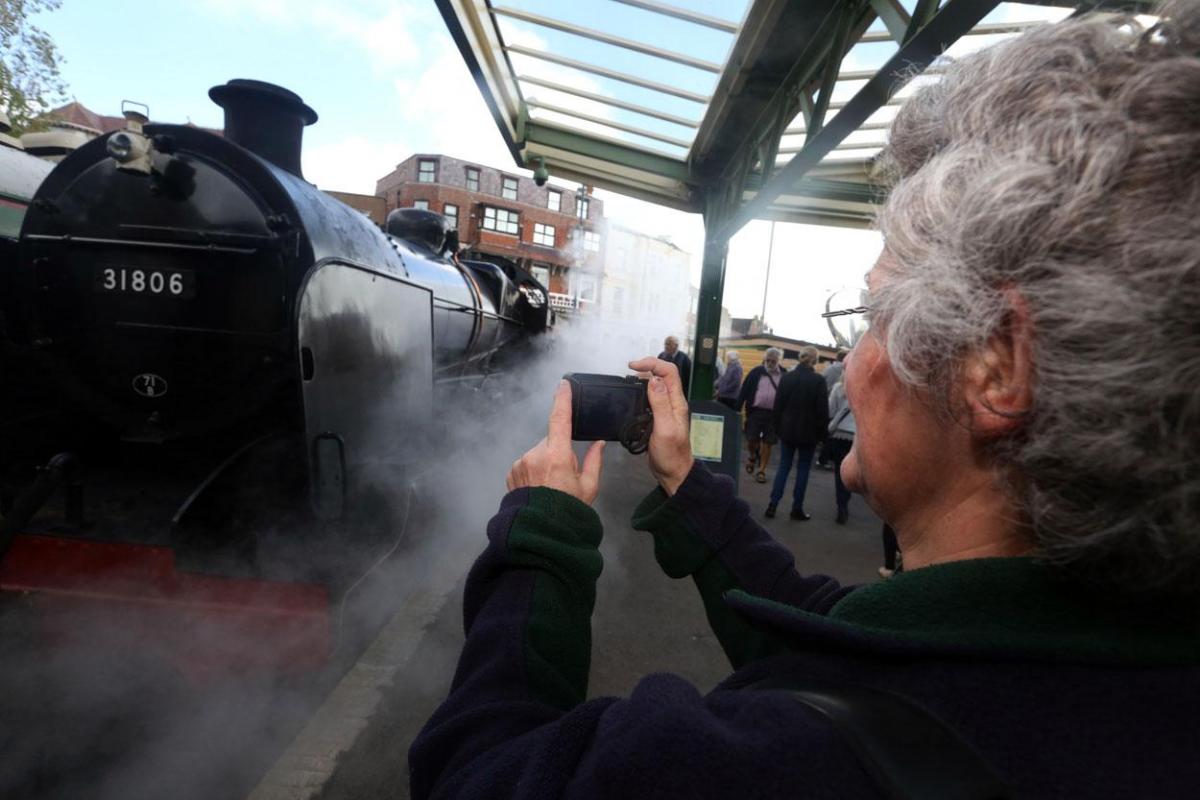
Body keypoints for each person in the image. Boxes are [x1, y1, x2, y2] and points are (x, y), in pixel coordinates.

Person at [410, 10, 1200, 799]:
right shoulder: (1085, 660)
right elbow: (823, 628)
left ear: (997, 365)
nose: (851, 364)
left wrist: (542, 541)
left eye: (872, 318)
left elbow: (475, 777)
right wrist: (685, 480)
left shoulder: (778, 765)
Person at [765, 346, 828, 520]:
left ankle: (773, 504)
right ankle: (796, 508)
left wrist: (776, 428)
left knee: (784, 467)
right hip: (809, 433)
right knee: (803, 470)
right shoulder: (818, 381)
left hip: (787, 430)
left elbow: (778, 406)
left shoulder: (787, 378)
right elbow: (822, 412)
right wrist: (823, 436)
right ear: (815, 360)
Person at [736, 347, 783, 483]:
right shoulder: (756, 372)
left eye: (773, 360)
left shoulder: (784, 375)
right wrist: (737, 408)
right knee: (752, 439)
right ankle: (752, 456)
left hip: (774, 414)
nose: (770, 363)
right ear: (764, 359)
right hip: (755, 412)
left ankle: (762, 470)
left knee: (768, 442)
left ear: (778, 360)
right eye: (768, 360)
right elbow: (744, 390)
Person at [824, 376, 856, 524]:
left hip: (839, 434)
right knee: (851, 470)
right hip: (857, 437)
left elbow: (831, 410)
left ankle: (841, 505)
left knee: (839, 471)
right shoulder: (866, 388)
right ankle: (846, 498)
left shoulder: (839, 387)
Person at [815, 350, 847, 469]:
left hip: (828, 403)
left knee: (829, 434)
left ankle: (824, 458)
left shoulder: (828, 369)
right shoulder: (847, 371)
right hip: (842, 406)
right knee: (833, 436)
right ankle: (827, 458)